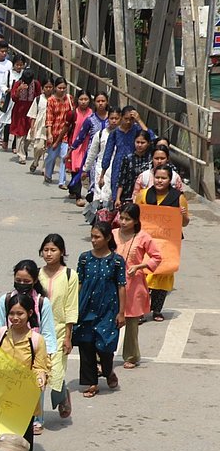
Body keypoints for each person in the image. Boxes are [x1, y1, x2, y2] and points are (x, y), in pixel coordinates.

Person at [73, 223, 126, 397]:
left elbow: (121, 286)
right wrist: (74, 307)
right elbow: (78, 284)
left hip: (108, 309)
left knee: (105, 345)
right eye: (92, 236)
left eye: (97, 237)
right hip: (86, 308)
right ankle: (91, 382)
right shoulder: (84, 259)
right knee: (86, 344)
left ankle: (108, 370)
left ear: (108, 238)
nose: (93, 240)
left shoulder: (117, 261)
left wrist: (121, 312)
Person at [0, 294, 51, 443]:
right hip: (0, 396)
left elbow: (40, 367)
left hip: (23, 399)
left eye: (20, 313)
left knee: (20, 443)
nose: (15, 317)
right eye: (12, 313)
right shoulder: (0, 335)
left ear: (30, 313)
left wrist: (41, 379)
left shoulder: (36, 340)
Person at [114, 203, 162, 368]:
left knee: (132, 323)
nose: (123, 222)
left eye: (127, 219)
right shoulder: (112, 234)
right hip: (111, 285)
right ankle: (103, 355)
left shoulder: (143, 237)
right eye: (121, 218)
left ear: (135, 221)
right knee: (107, 320)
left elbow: (156, 257)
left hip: (133, 285)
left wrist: (140, 266)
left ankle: (131, 356)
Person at [38, 235, 79, 421]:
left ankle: (62, 395)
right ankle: (37, 417)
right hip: (38, 332)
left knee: (55, 370)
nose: (48, 254)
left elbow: (71, 307)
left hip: (60, 330)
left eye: (53, 250)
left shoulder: (70, 275)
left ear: (61, 252)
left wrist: (68, 336)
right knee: (39, 372)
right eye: (45, 250)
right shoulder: (37, 275)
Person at [141, 165, 188, 322]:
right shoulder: (144, 195)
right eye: (157, 177)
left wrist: (183, 215)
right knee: (145, 276)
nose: (160, 181)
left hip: (169, 244)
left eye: (164, 178)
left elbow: (185, 223)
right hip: (148, 242)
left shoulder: (179, 197)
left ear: (170, 180)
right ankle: (141, 310)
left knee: (163, 276)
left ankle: (157, 310)